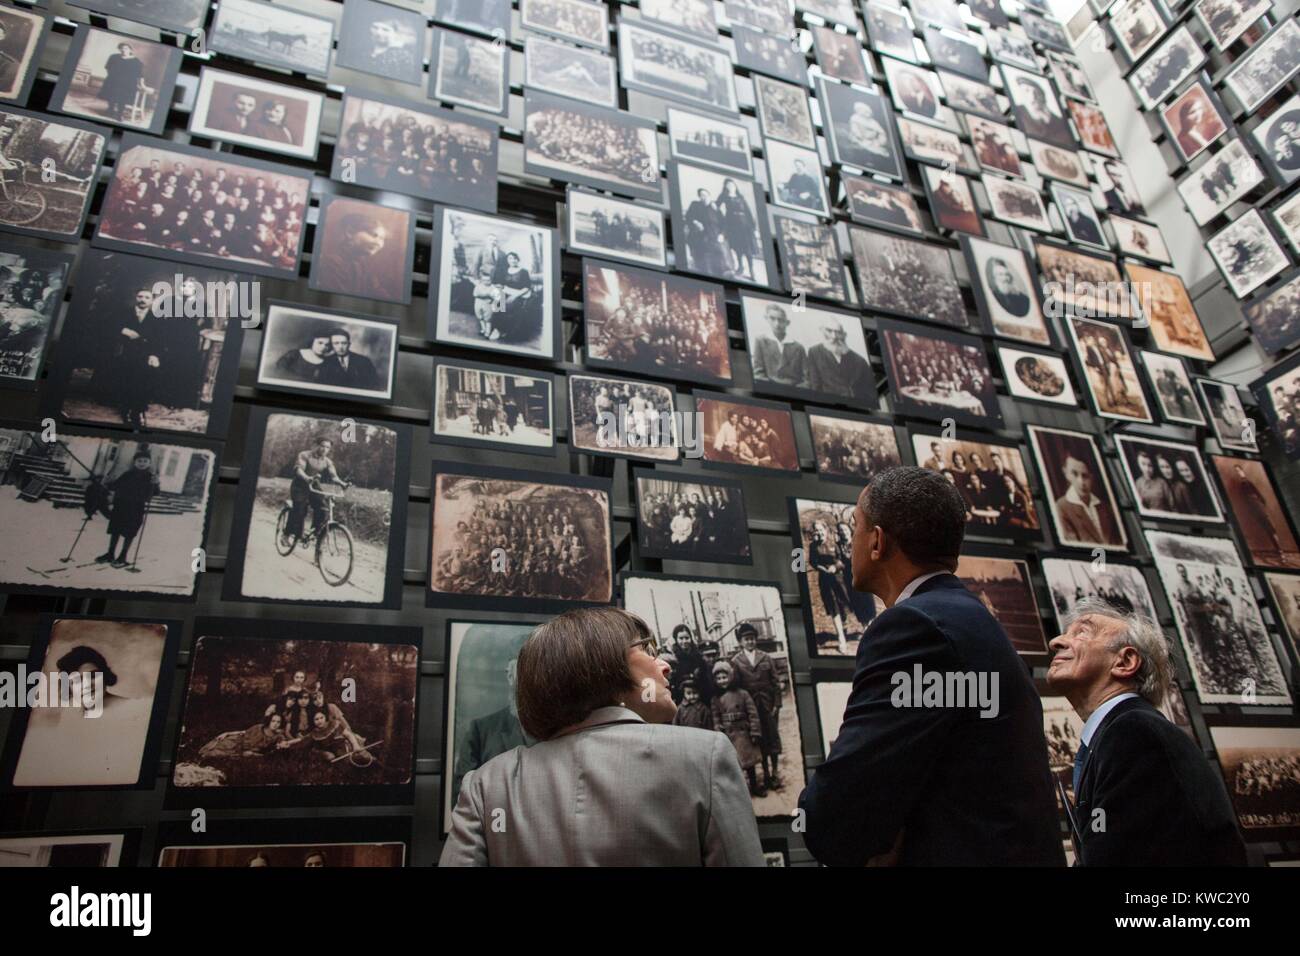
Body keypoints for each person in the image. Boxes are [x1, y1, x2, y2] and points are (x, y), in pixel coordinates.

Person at [798, 467, 1064, 866]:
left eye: (855, 526)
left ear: (877, 541)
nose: (848, 542)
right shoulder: (969, 619)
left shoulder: (915, 628)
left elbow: (839, 811)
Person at [440, 607, 765, 866]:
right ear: (601, 666)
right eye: (648, 650)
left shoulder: (487, 784)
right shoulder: (704, 757)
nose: (664, 665)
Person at [1046, 598, 1247, 865]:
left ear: (1125, 662)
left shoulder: (1134, 732)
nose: (1056, 642)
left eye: (1082, 632)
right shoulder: (1123, 730)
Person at [96, 449, 159, 568]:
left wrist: (156, 483)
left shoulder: (151, 477)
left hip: (136, 507)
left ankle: (123, 556)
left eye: (145, 461)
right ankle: (110, 553)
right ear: (135, 462)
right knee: (115, 529)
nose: (142, 463)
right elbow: (115, 486)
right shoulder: (128, 474)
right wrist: (106, 483)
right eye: (139, 461)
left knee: (130, 531)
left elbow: (155, 493)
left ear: (149, 463)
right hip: (121, 505)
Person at [282, 435, 349, 544]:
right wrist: (307, 478)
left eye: (328, 448)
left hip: (314, 485)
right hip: (299, 485)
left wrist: (342, 483)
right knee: (299, 510)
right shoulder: (305, 455)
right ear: (316, 445)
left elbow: (333, 476)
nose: (325, 449)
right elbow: (299, 469)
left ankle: (316, 531)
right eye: (322, 446)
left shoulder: (327, 461)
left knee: (323, 509)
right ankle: (287, 534)